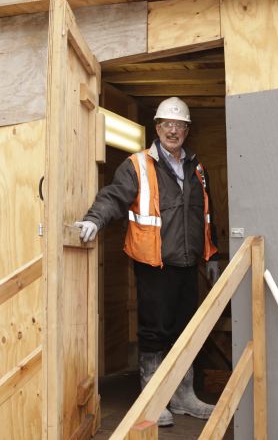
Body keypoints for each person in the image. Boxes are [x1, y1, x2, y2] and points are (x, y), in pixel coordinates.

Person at [75, 97, 219, 427]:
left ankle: (183, 396)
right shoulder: (137, 165)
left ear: (187, 130)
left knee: (185, 332)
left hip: (187, 265)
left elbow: (207, 215)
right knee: (155, 333)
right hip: (153, 264)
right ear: (157, 128)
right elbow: (113, 195)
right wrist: (95, 219)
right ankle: (153, 401)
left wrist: (212, 255)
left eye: (179, 125)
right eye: (167, 124)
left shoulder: (197, 169)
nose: (173, 130)